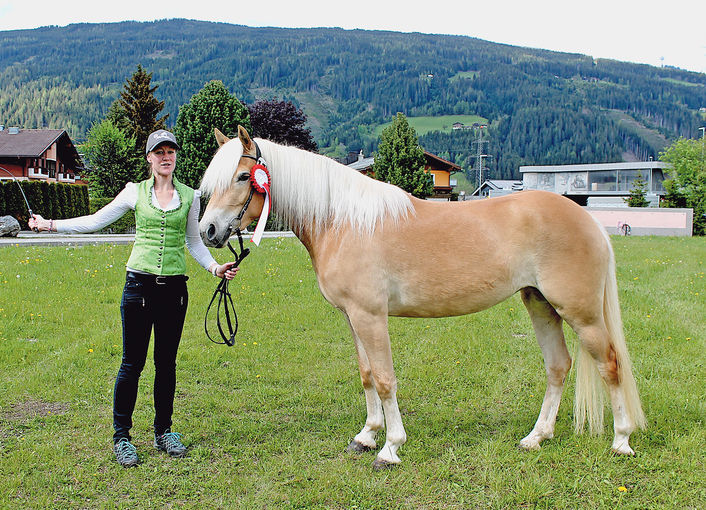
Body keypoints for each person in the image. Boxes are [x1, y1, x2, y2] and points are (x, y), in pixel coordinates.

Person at [30, 129, 238, 467]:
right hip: (138, 289)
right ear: (149, 159)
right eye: (159, 152)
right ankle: (122, 436)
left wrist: (215, 268)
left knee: (166, 365)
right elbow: (96, 221)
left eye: (170, 151)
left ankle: (163, 431)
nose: (166, 157)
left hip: (174, 291)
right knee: (132, 364)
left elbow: (193, 241)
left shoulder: (190, 195)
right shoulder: (134, 193)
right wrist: (49, 224)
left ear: (175, 157)